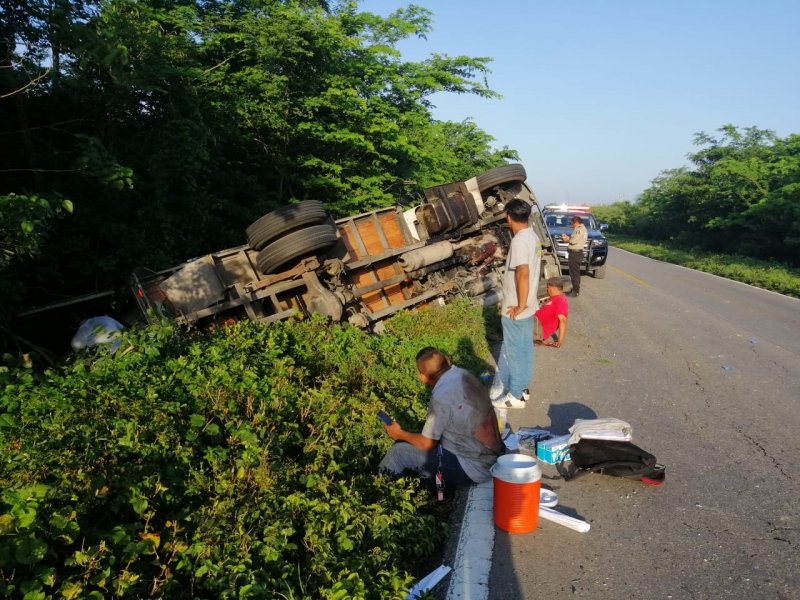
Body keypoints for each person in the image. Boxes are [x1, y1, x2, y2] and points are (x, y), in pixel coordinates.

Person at [377, 347, 504, 485]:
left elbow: (427, 444)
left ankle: (378, 491)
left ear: (422, 378)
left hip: (474, 468)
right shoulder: (463, 374)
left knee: (398, 453)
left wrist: (399, 433)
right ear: (447, 361)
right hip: (493, 457)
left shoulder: (440, 397)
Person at [491, 199, 542, 410]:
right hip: (529, 304)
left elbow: (523, 271)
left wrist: (519, 304)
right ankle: (523, 389)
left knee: (515, 351)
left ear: (508, 217)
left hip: (517, 306)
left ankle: (515, 396)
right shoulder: (533, 236)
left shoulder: (519, 241)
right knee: (525, 348)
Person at [534, 277, 569, 348]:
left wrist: (560, 341)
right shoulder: (554, 298)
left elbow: (563, 320)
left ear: (554, 288)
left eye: (548, 287)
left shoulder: (560, 300)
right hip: (533, 323)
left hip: (537, 328)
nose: (546, 289)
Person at [561, 215, 587, 297]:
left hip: (575, 253)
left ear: (576, 222)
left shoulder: (579, 230)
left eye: (572, 223)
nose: (572, 225)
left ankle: (575, 291)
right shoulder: (579, 229)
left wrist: (567, 239)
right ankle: (574, 289)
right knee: (573, 272)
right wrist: (568, 238)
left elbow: (574, 240)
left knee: (574, 273)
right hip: (574, 253)